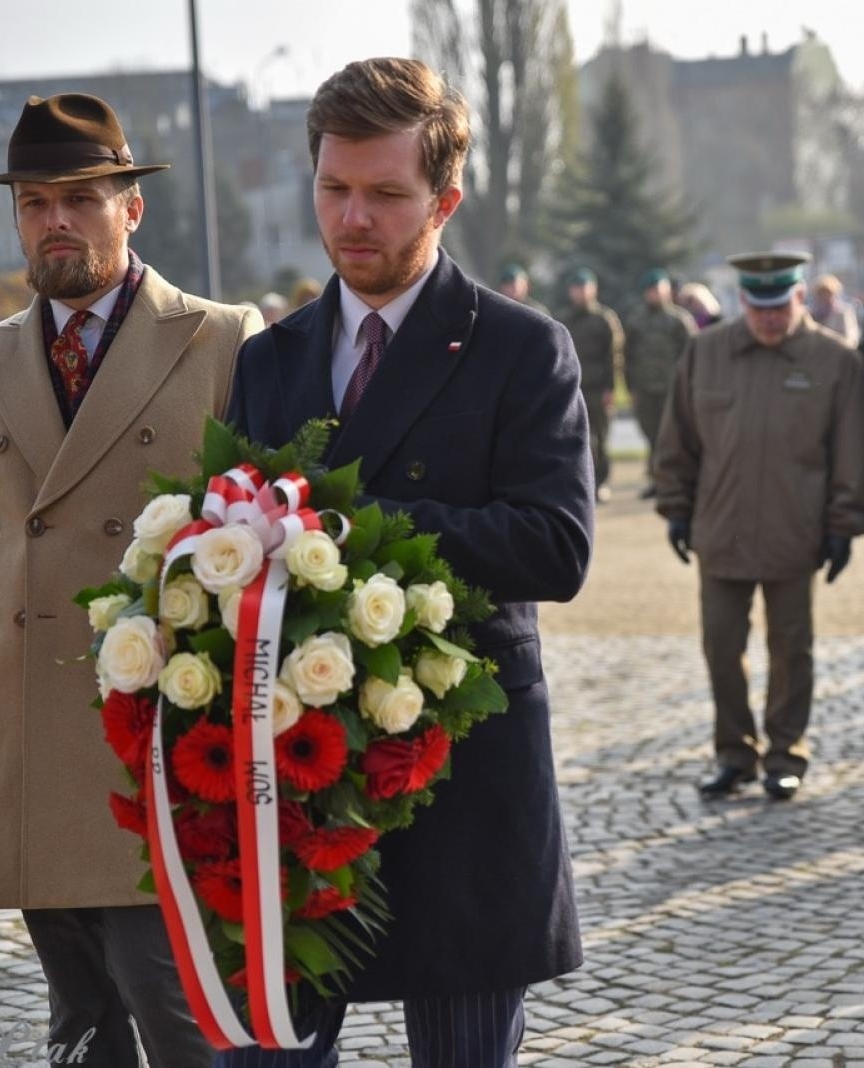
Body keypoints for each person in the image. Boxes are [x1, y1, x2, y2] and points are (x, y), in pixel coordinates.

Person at [223, 57, 593, 1066]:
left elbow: (557, 546)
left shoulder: (523, 348)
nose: (353, 219)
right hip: (294, 787)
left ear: (445, 199)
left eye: (386, 194)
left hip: (463, 785)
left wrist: (347, 528)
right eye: (333, 188)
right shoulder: (267, 359)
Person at [0, 92, 263, 1067]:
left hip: (162, 738)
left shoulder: (222, 338)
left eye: (79, 198)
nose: (54, 220)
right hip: (24, 729)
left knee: (174, 1012)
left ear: (130, 208)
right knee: (81, 1025)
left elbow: (267, 541)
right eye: (33, 203)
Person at [655, 251, 864, 802]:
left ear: (799, 298)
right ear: (742, 301)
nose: (769, 319)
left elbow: (850, 453)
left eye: (779, 307)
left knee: (791, 650)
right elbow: (678, 439)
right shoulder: (705, 352)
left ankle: (785, 754)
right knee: (720, 648)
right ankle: (734, 753)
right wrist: (676, 508)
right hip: (720, 530)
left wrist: (843, 525)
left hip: (795, 532)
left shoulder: (835, 360)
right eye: (758, 308)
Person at [624, 267, 696, 498]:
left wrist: (689, 387)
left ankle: (674, 483)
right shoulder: (636, 321)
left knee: (672, 436)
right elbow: (628, 356)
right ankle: (656, 480)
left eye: (659, 289)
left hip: (672, 388)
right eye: (651, 290)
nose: (655, 293)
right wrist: (630, 386)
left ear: (667, 290)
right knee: (651, 434)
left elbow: (693, 355)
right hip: (645, 388)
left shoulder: (679, 320)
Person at [556, 266, 624, 503]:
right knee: (573, 438)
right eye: (577, 288)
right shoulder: (564, 319)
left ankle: (600, 483)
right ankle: (579, 484)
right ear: (570, 291)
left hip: (597, 388)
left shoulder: (604, 318)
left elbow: (613, 356)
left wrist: (610, 388)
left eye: (585, 287)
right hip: (572, 388)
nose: (581, 292)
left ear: (593, 289)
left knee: (600, 437)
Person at [809, 273, 860, 347]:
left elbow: (851, 338)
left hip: (838, 351)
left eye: (827, 293)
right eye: (821, 293)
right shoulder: (812, 314)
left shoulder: (842, 313)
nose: (824, 297)